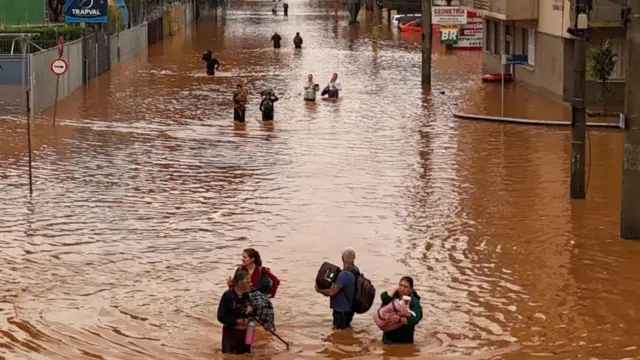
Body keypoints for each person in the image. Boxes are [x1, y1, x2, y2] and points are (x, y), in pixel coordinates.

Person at [315, 247, 359, 330]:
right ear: (354, 258)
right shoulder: (355, 270)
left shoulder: (344, 275)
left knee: (339, 331)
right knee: (345, 330)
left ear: (342, 258)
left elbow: (332, 292)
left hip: (341, 310)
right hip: (350, 308)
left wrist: (319, 290)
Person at [379, 276, 423, 344]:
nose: (402, 289)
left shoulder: (414, 301)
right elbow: (383, 297)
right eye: (401, 285)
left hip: (404, 338)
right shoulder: (393, 296)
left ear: (411, 289)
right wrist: (395, 289)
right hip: (388, 338)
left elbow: (416, 318)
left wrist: (400, 319)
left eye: (405, 287)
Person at [218, 271, 253, 354]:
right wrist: (236, 321)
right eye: (248, 282)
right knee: (227, 356)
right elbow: (220, 316)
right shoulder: (228, 296)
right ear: (240, 283)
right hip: (230, 334)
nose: (251, 284)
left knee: (245, 355)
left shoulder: (251, 294)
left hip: (246, 333)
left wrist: (252, 307)